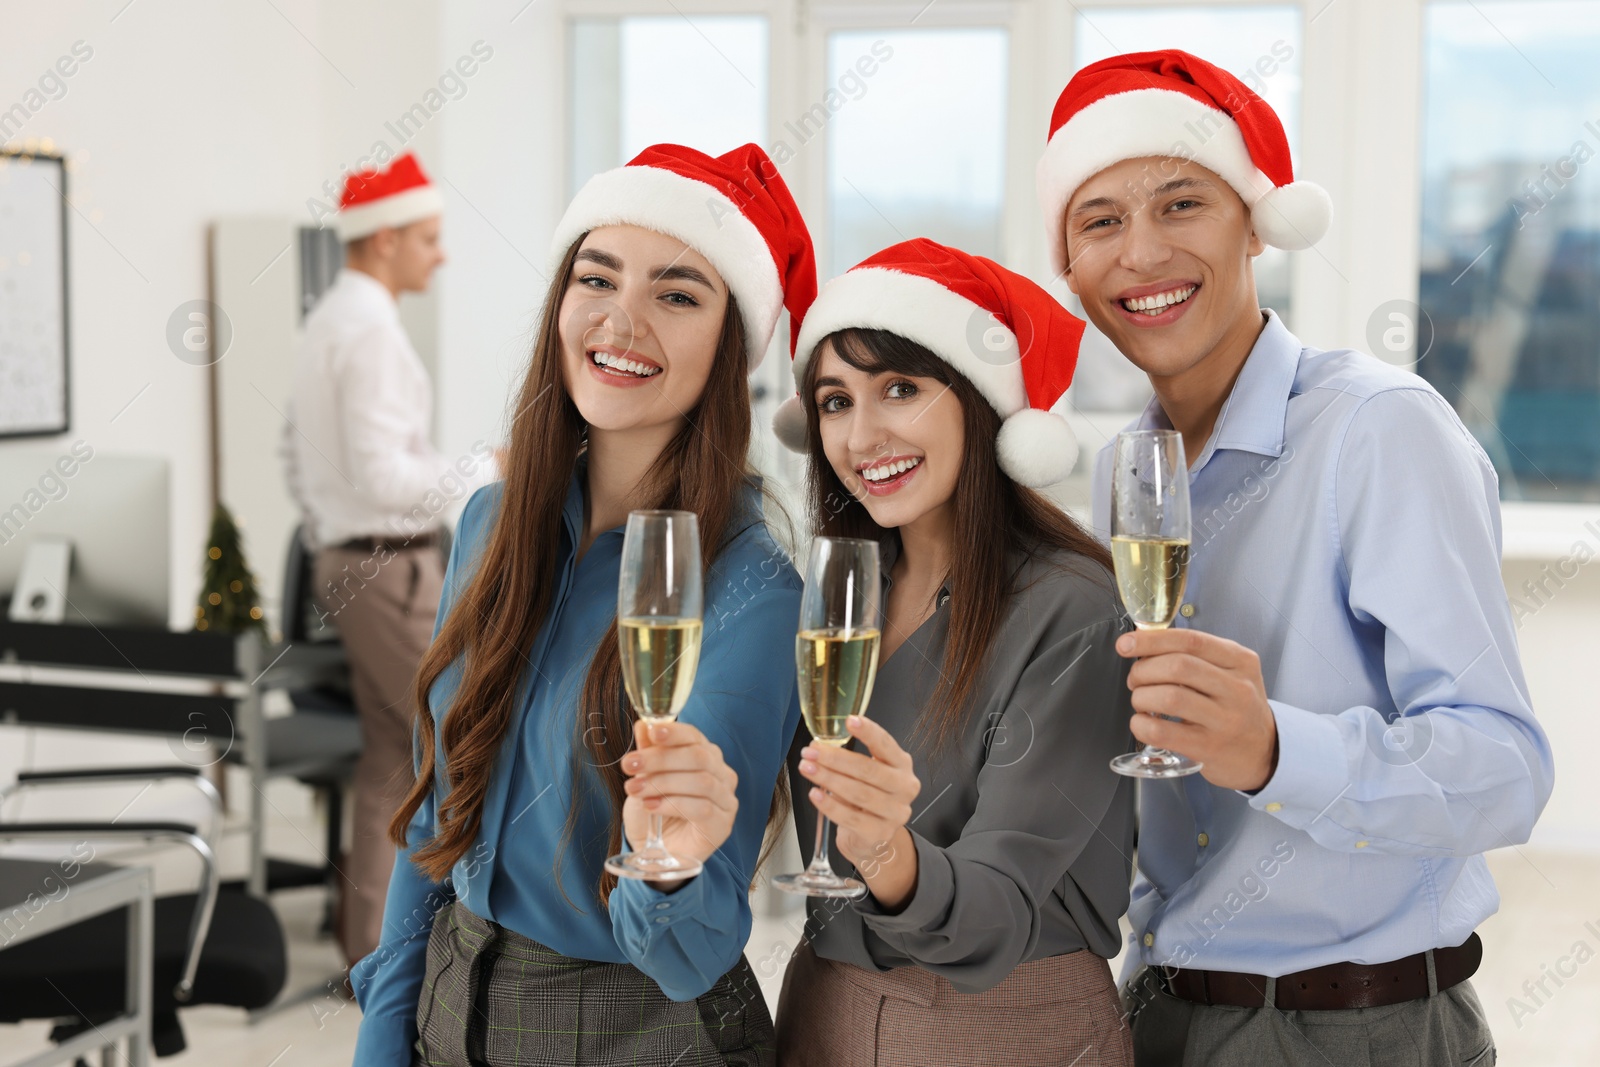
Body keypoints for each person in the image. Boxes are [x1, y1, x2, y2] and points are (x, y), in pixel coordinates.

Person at [1036, 50, 1555, 1064]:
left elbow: (1506, 769)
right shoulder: (1121, 471)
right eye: (1099, 220)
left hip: (1358, 1025)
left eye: (1180, 203)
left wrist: (1274, 748)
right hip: (1160, 1011)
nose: (1140, 252)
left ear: (1256, 225)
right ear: (1068, 262)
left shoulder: (1378, 429)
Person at [347, 142, 818, 1067]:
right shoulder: (491, 524)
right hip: (452, 1004)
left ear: (730, 347)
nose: (622, 318)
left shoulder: (752, 589)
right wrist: (380, 1031)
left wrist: (671, 860)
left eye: (678, 294)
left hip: (641, 1029)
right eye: (596, 278)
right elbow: (435, 822)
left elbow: (692, 949)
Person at [766, 238, 1137, 1065]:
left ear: (977, 399)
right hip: (824, 1010)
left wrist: (888, 854)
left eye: (900, 388)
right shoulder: (842, 592)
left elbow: (998, 911)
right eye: (834, 401)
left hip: (1005, 1029)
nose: (863, 435)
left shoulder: (1072, 609)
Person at [282, 151, 502, 969]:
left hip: (353, 557)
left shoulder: (332, 320)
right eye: (429, 237)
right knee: (457, 727)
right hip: (383, 565)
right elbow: (382, 478)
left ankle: (369, 946)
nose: (440, 255)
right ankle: (430, 941)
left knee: (391, 754)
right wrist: (489, 469)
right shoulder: (365, 332)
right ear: (383, 241)